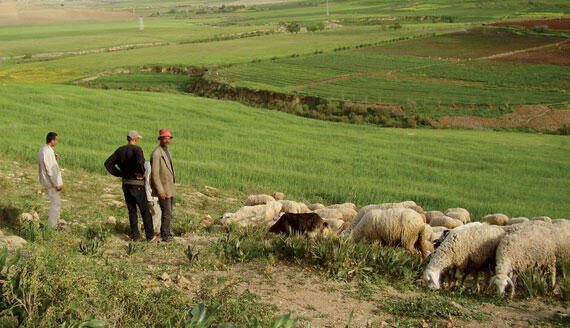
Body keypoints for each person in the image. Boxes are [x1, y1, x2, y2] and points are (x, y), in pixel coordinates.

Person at [105, 130, 156, 242]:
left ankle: (135, 236)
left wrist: (120, 174)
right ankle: (150, 236)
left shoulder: (120, 150)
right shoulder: (137, 150)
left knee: (132, 210)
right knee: (144, 210)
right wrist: (141, 173)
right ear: (136, 139)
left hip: (126, 184)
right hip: (137, 184)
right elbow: (140, 162)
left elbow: (108, 164)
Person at [150, 129, 175, 242]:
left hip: (169, 188)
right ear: (160, 139)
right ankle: (165, 234)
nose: (167, 140)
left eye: (168, 138)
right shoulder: (156, 153)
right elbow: (154, 174)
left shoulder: (167, 152)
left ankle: (167, 231)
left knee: (168, 212)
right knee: (166, 212)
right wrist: (160, 191)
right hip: (163, 189)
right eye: (165, 138)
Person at [38, 132, 63, 228]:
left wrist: (54, 158)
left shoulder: (44, 150)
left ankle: (54, 224)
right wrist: (57, 183)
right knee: (55, 203)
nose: (57, 142)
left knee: (55, 202)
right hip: (50, 182)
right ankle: (53, 226)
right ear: (52, 140)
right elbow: (49, 169)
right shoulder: (47, 151)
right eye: (56, 140)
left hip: (47, 180)